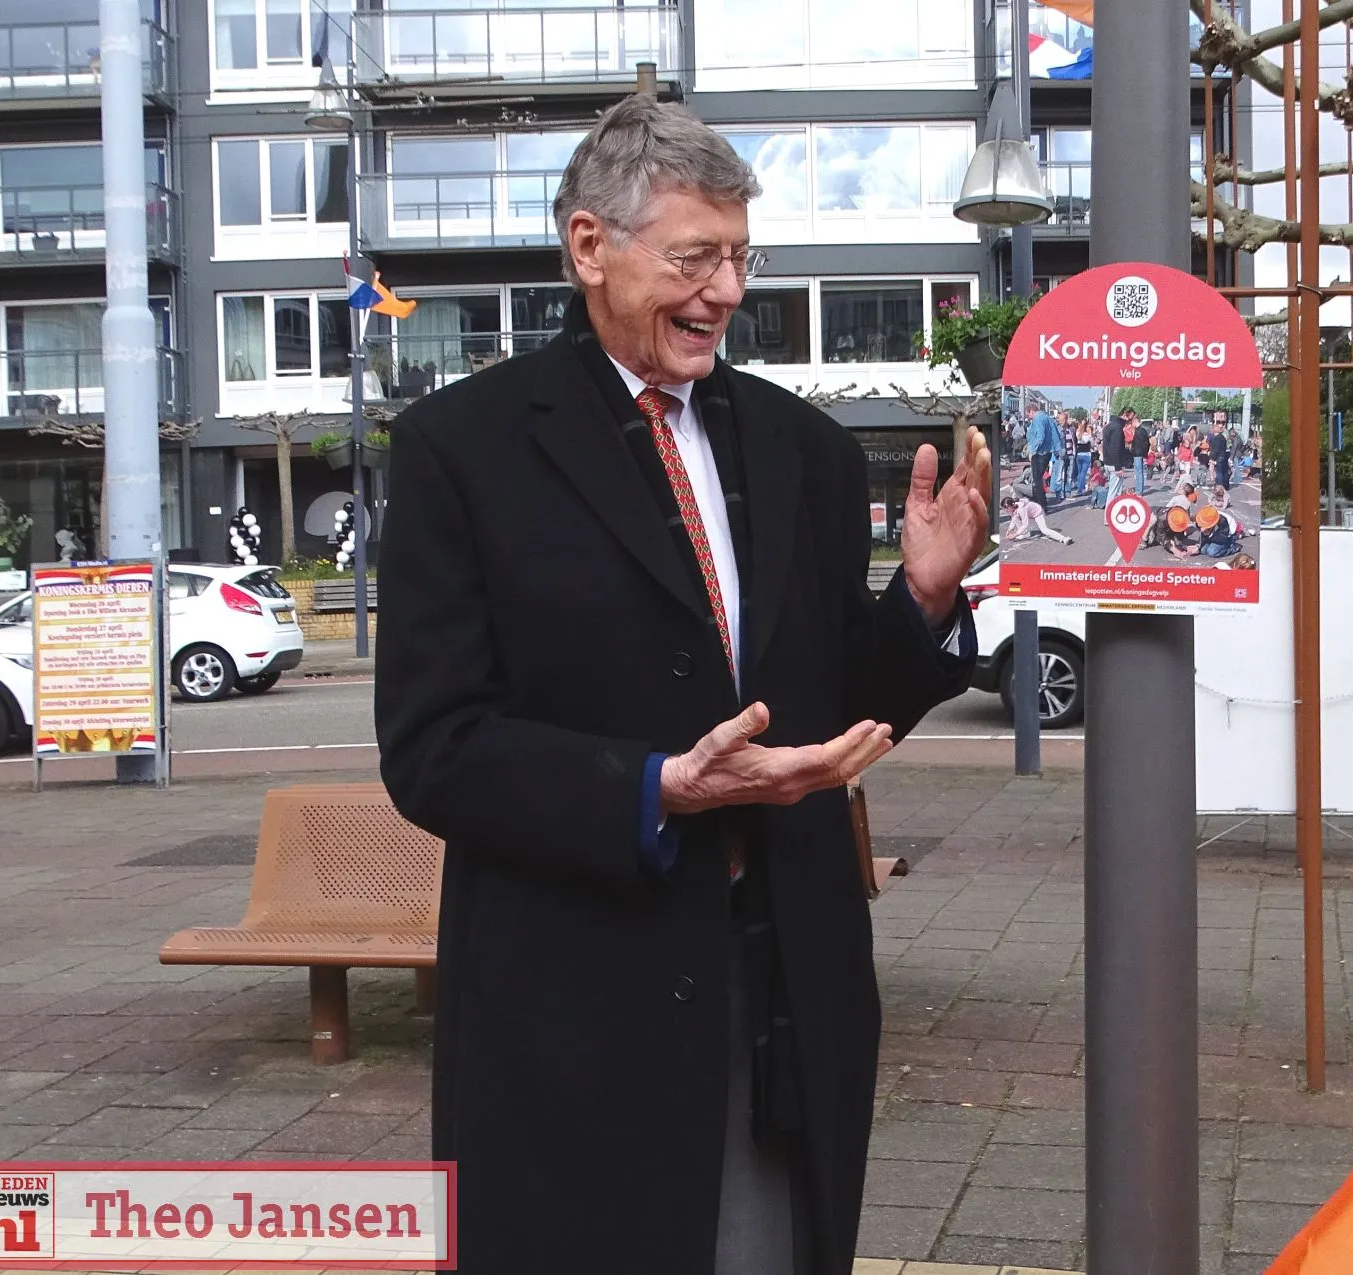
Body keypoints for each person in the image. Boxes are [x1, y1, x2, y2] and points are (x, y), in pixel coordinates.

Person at [373, 96, 990, 1275]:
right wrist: (656, 787)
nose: (723, 293)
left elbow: (838, 698)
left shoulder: (801, 447)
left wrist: (918, 604)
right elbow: (435, 743)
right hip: (575, 991)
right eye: (693, 258)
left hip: (787, 974)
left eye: (740, 259)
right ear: (590, 247)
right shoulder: (465, 449)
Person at [1024, 402, 1061, 506]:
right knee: (1038, 479)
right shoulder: (1047, 418)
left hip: (1040, 453)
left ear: (1032, 411)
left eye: (1028, 414)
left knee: (1037, 480)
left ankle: (1041, 504)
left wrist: (1033, 451)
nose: (1029, 417)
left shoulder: (1038, 418)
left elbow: (1040, 437)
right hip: (1047, 451)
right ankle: (1040, 502)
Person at [1207, 411, 1234, 490]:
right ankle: (1225, 485)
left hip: (1219, 456)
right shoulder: (1222, 436)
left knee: (1219, 471)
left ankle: (1220, 485)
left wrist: (1212, 457)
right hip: (1224, 455)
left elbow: (1216, 449)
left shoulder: (1218, 438)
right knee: (1224, 470)